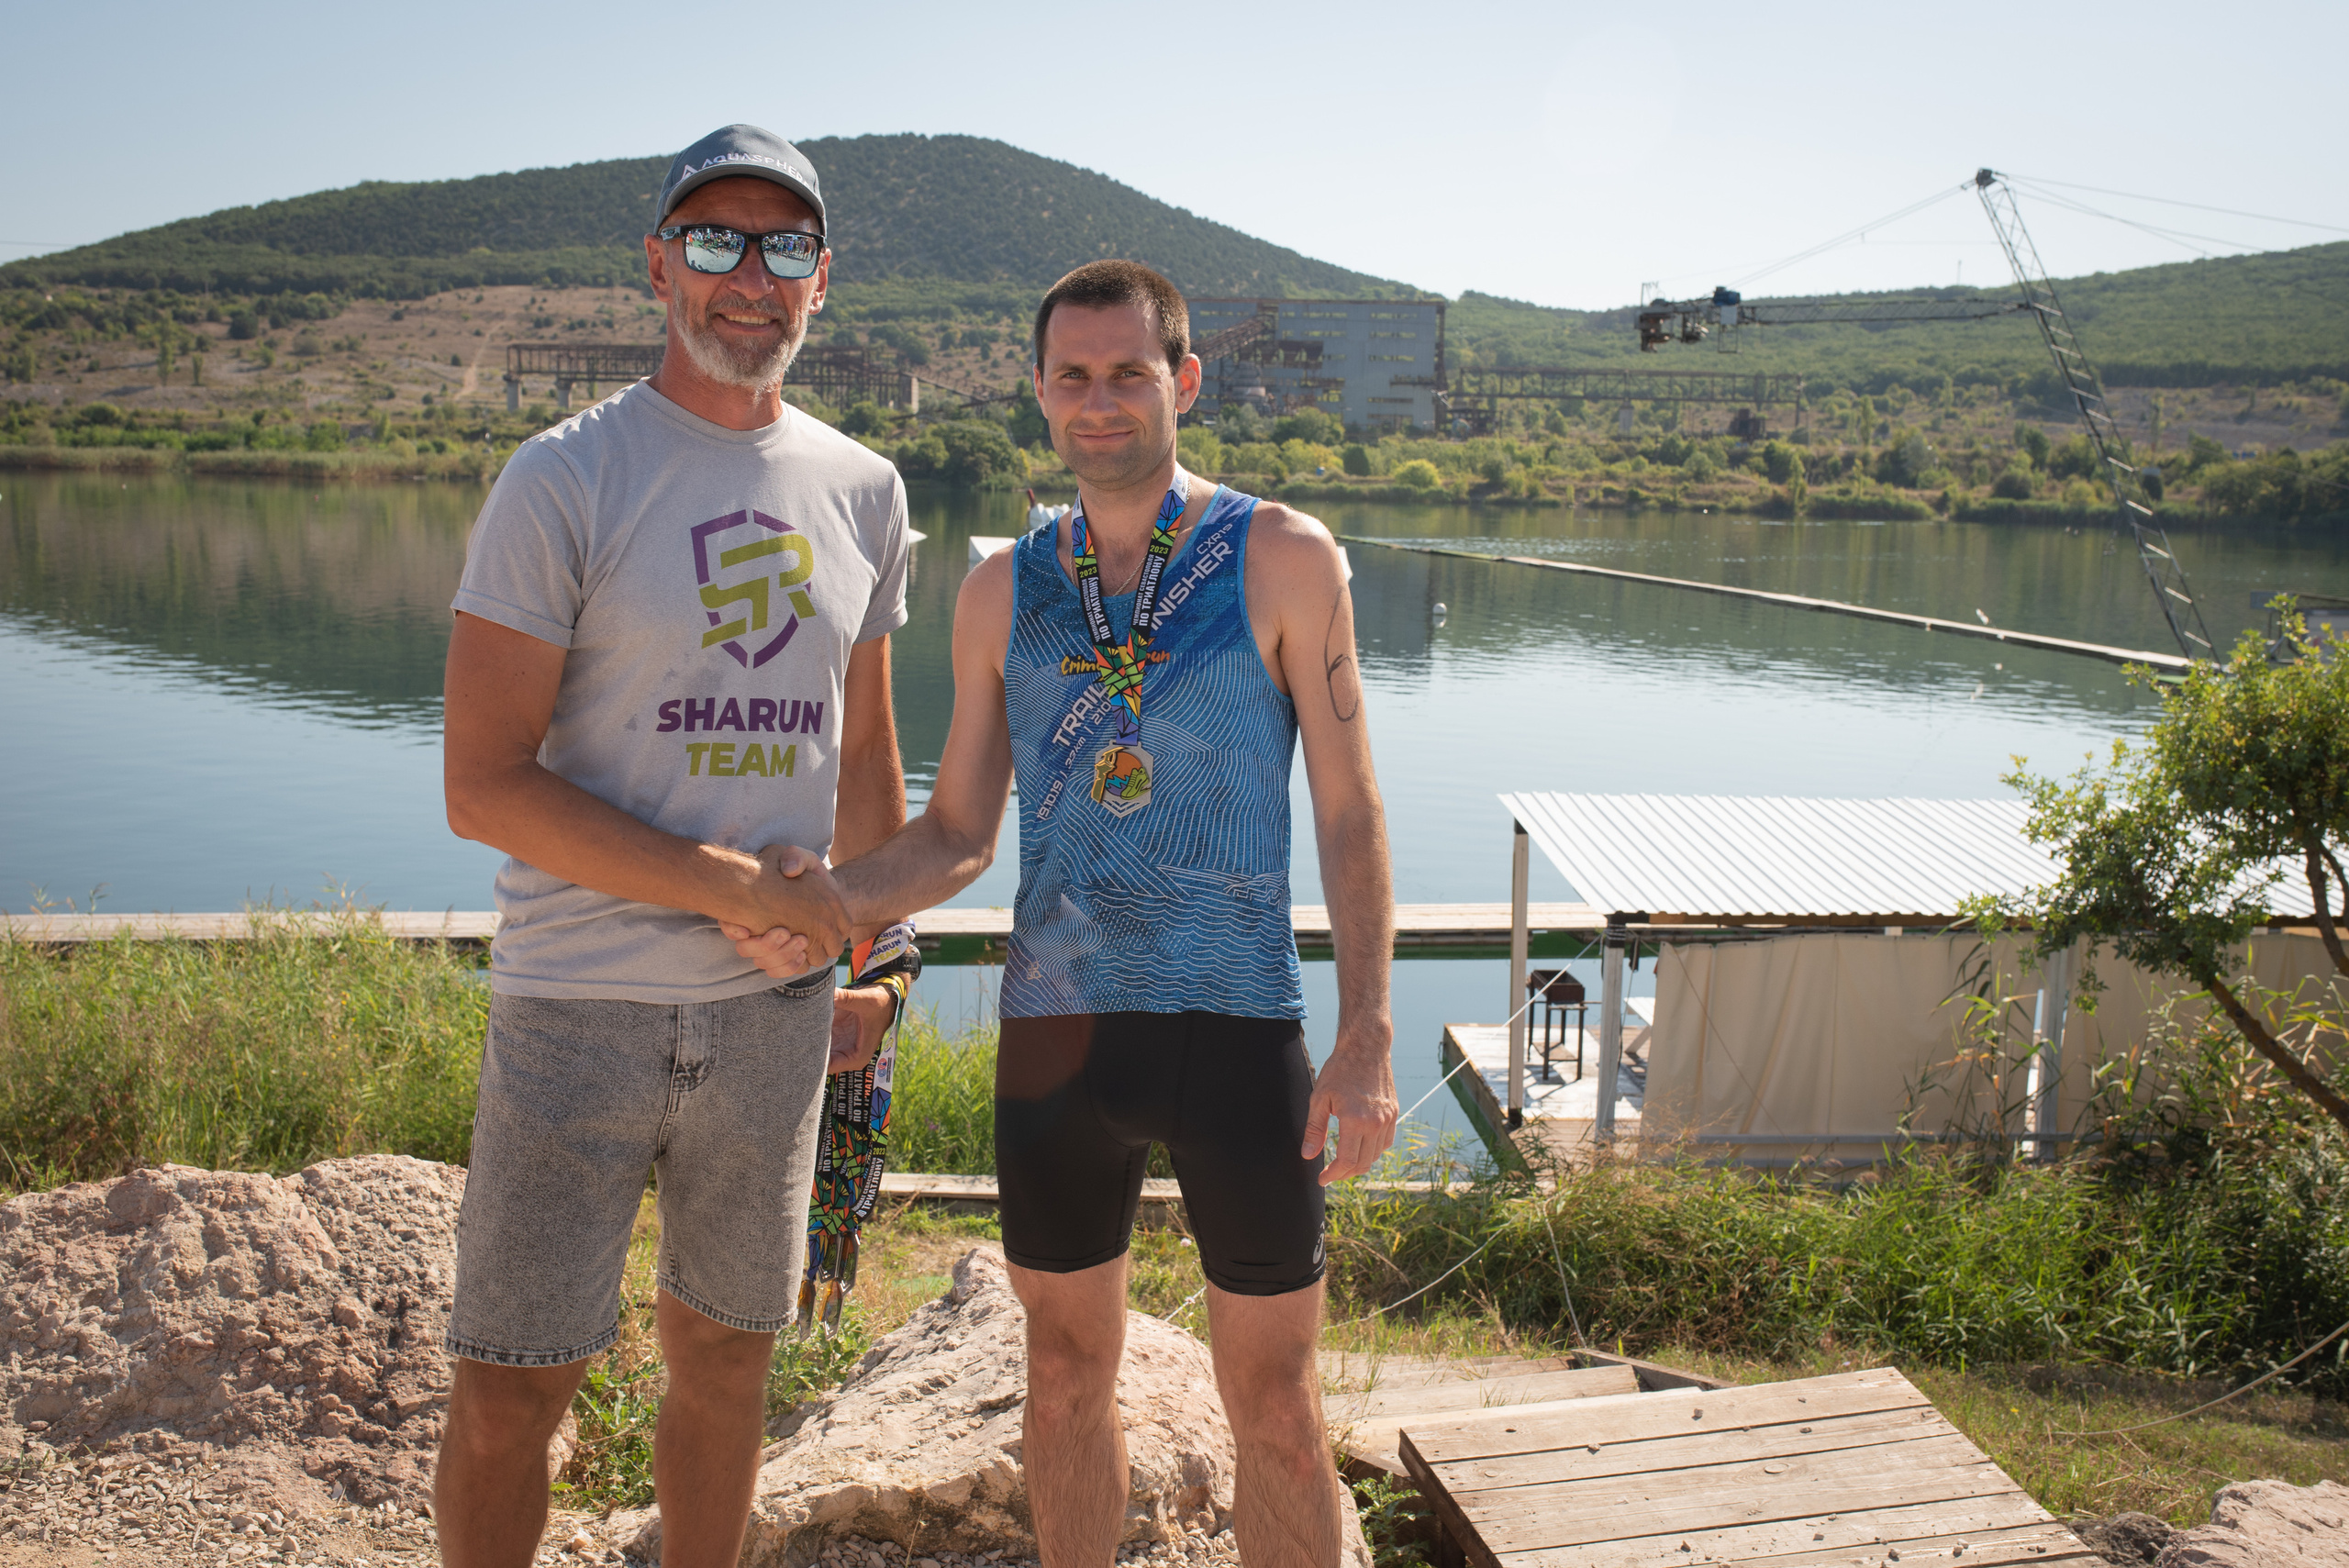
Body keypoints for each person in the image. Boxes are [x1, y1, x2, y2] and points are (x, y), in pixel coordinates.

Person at [730, 260, 1398, 1568]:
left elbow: (1351, 810)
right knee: (1060, 1378)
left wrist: (1368, 1027)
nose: (1101, 402)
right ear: (1039, 390)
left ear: (1184, 380)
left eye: (1130, 373)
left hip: (1238, 1022)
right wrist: (830, 909)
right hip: (1058, 1034)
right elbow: (959, 831)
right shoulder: (1002, 591)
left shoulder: (1284, 556)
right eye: (1075, 376)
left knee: (1272, 1401)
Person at [434, 124, 905, 1568]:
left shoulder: (864, 490)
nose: (746, 276)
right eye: (713, 242)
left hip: (772, 1022)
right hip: (577, 1003)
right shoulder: (561, 477)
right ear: (659, 267)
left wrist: (860, 940)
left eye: (780, 247)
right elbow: (485, 785)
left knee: (728, 1364)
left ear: (823, 279)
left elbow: (868, 765)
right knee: (513, 1385)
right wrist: (729, 893)